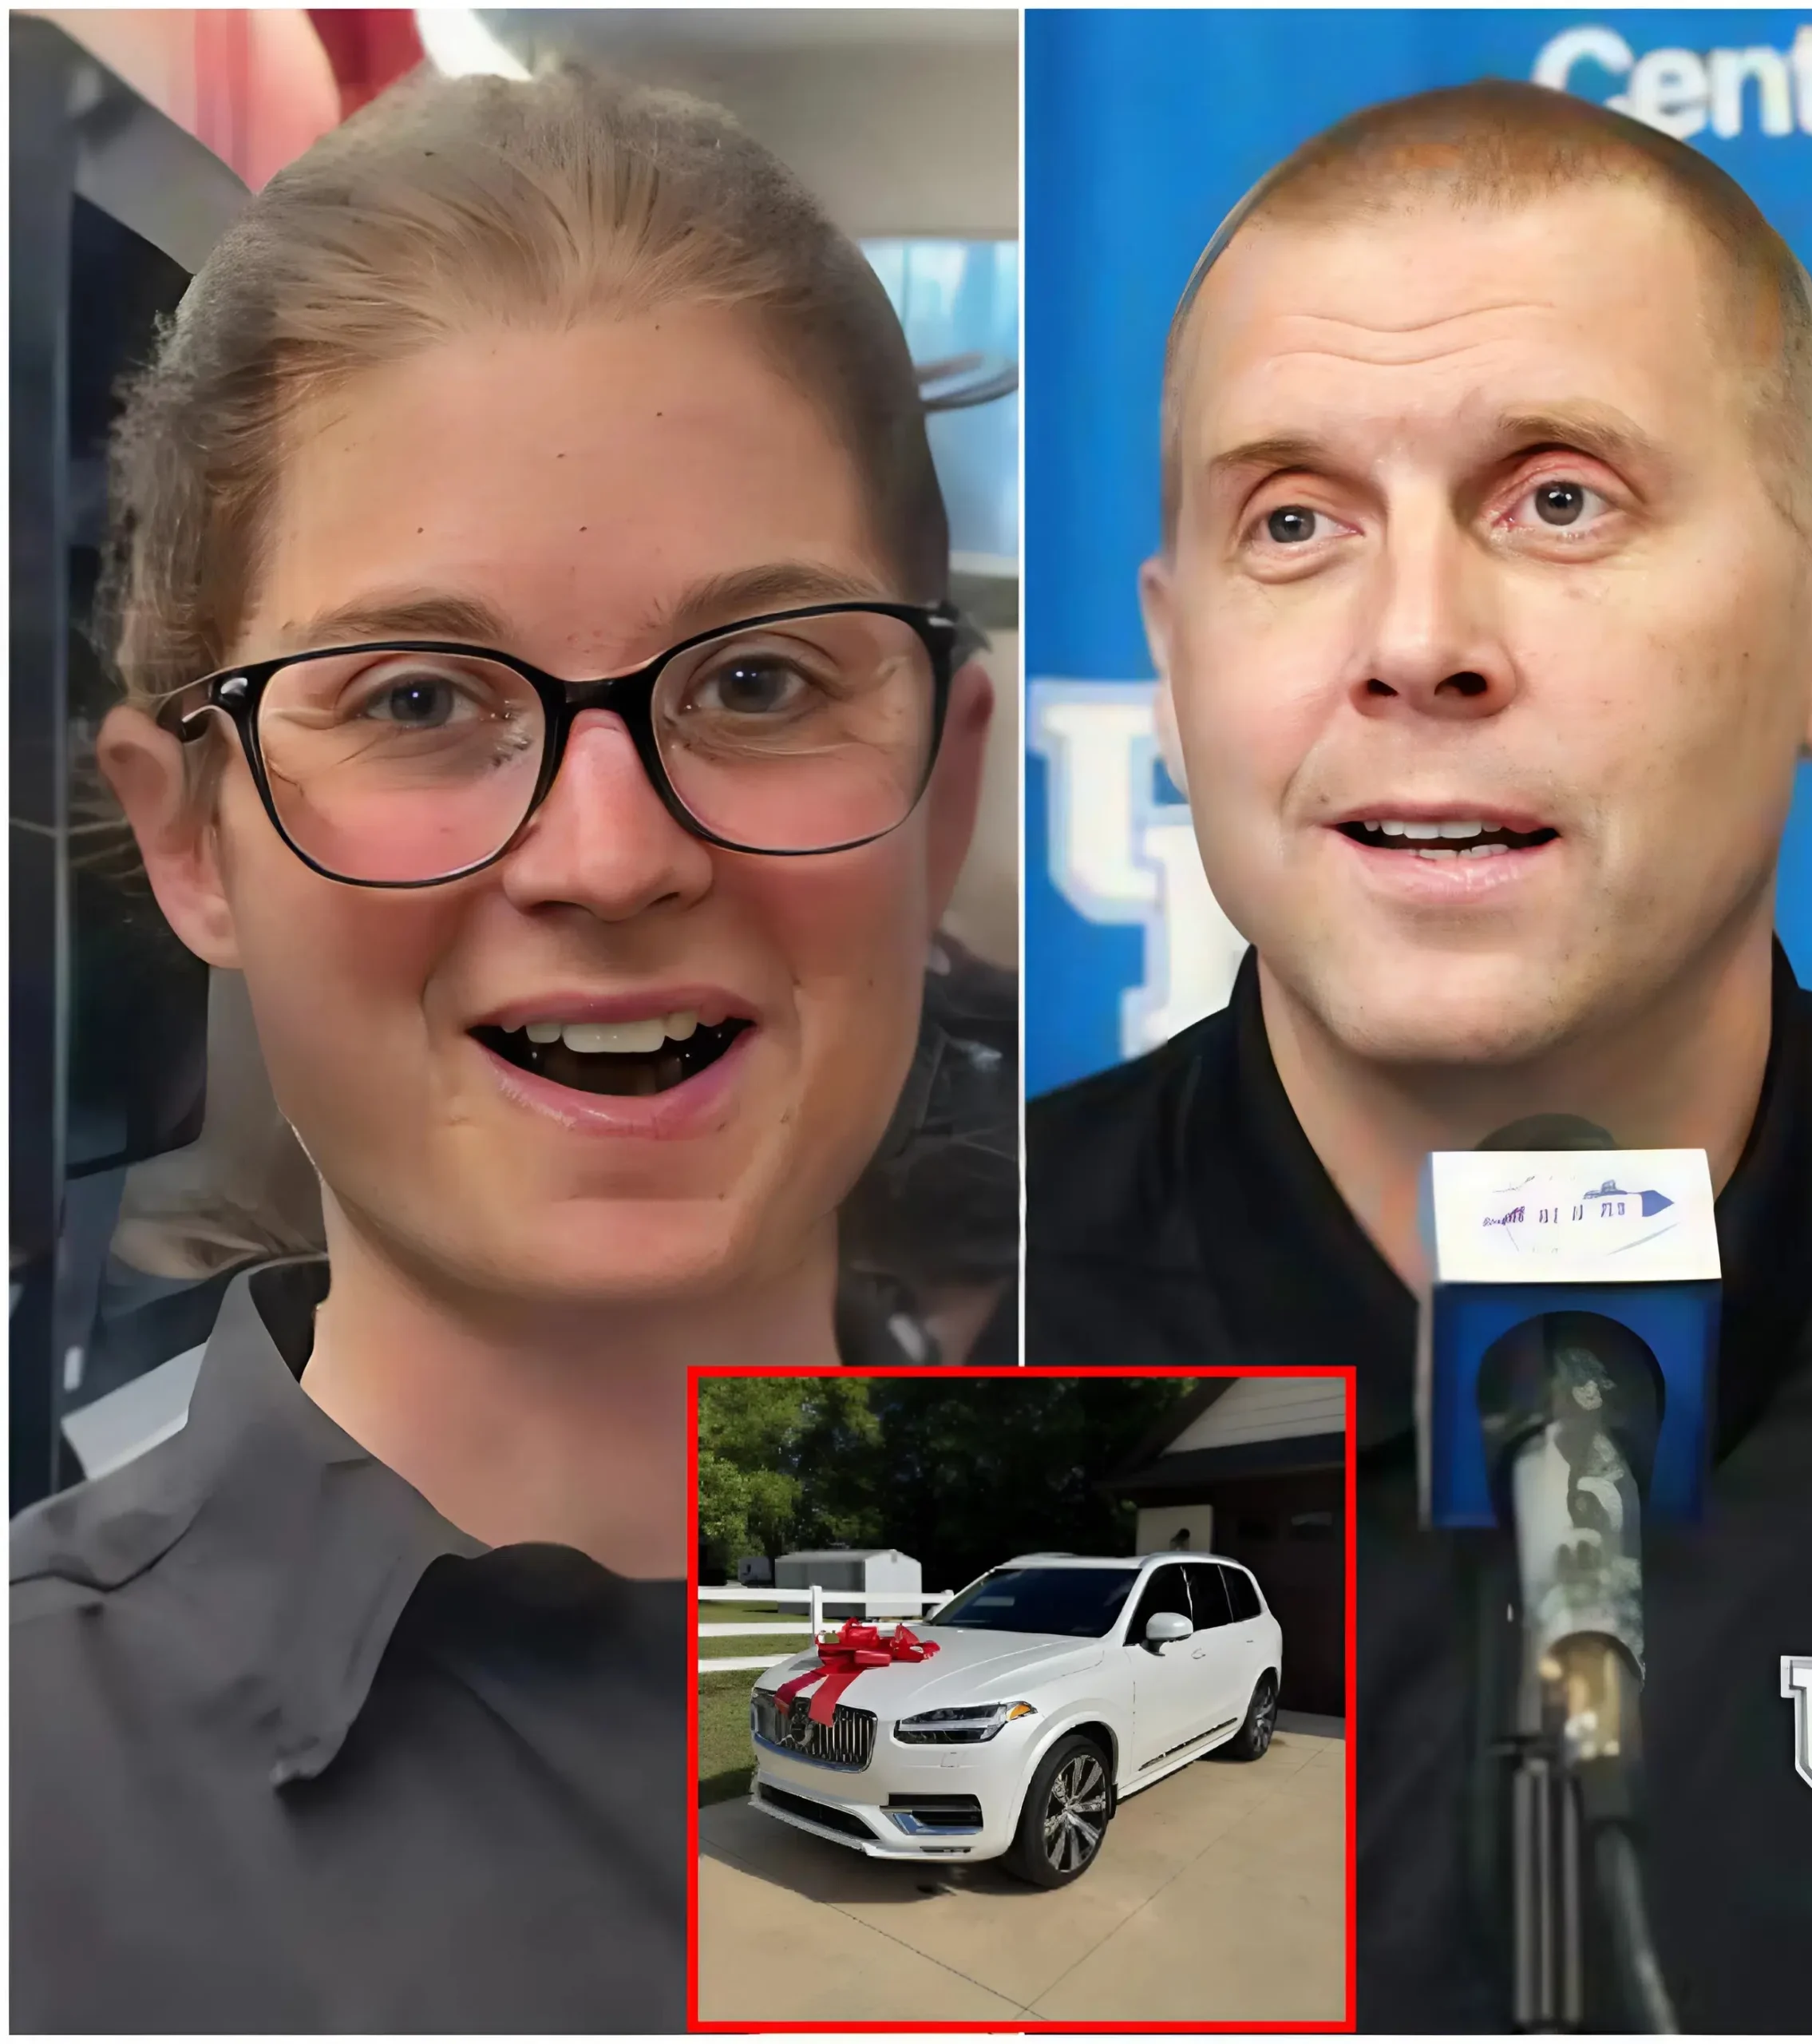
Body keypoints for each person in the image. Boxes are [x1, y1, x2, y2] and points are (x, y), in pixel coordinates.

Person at [1027, 81, 1812, 2032]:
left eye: (1556, 496)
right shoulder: (913, 1318)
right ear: (1172, 661)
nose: (1414, 640)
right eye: (1292, 520)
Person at [14, 63, 999, 2031]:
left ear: (942, 797)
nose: (614, 854)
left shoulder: (1303, 1711)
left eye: (756, 678)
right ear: (194, 834)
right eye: (418, 699)